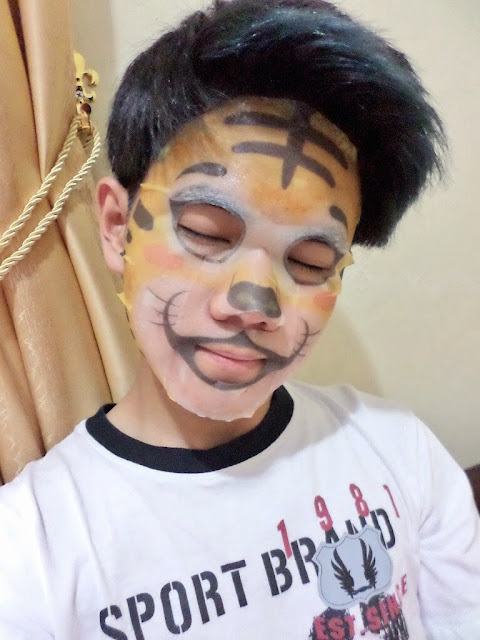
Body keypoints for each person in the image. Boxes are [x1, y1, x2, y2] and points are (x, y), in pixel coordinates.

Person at [1, 1, 479, 638]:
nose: (254, 304)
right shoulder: (28, 556)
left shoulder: (402, 453)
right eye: (206, 233)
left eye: (309, 262)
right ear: (116, 227)